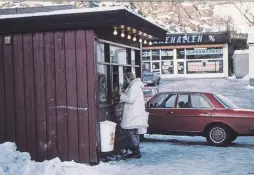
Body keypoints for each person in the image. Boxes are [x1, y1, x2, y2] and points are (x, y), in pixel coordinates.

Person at [118, 72, 148, 159]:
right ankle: (136, 150)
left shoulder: (134, 86)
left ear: (128, 78)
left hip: (132, 114)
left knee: (130, 132)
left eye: (126, 79)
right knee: (134, 132)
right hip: (136, 114)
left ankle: (136, 151)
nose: (126, 81)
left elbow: (130, 100)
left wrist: (122, 95)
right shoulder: (136, 86)